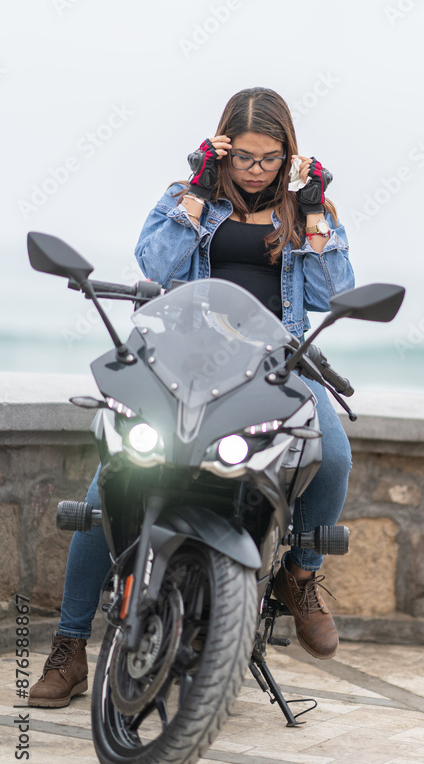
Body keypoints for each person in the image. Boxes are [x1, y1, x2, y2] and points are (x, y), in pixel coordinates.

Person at [29, 86, 354, 708]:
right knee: (111, 484)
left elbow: (331, 292)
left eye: (271, 159)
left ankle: (300, 574)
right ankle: (70, 645)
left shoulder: (308, 206)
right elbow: (157, 263)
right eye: (245, 158)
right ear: (223, 149)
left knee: (332, 455)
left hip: (277, 360)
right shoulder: (190, 194)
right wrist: (199, 194)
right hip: (183, 354)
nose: (257, 170)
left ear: (289, 153)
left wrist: (312, 213)